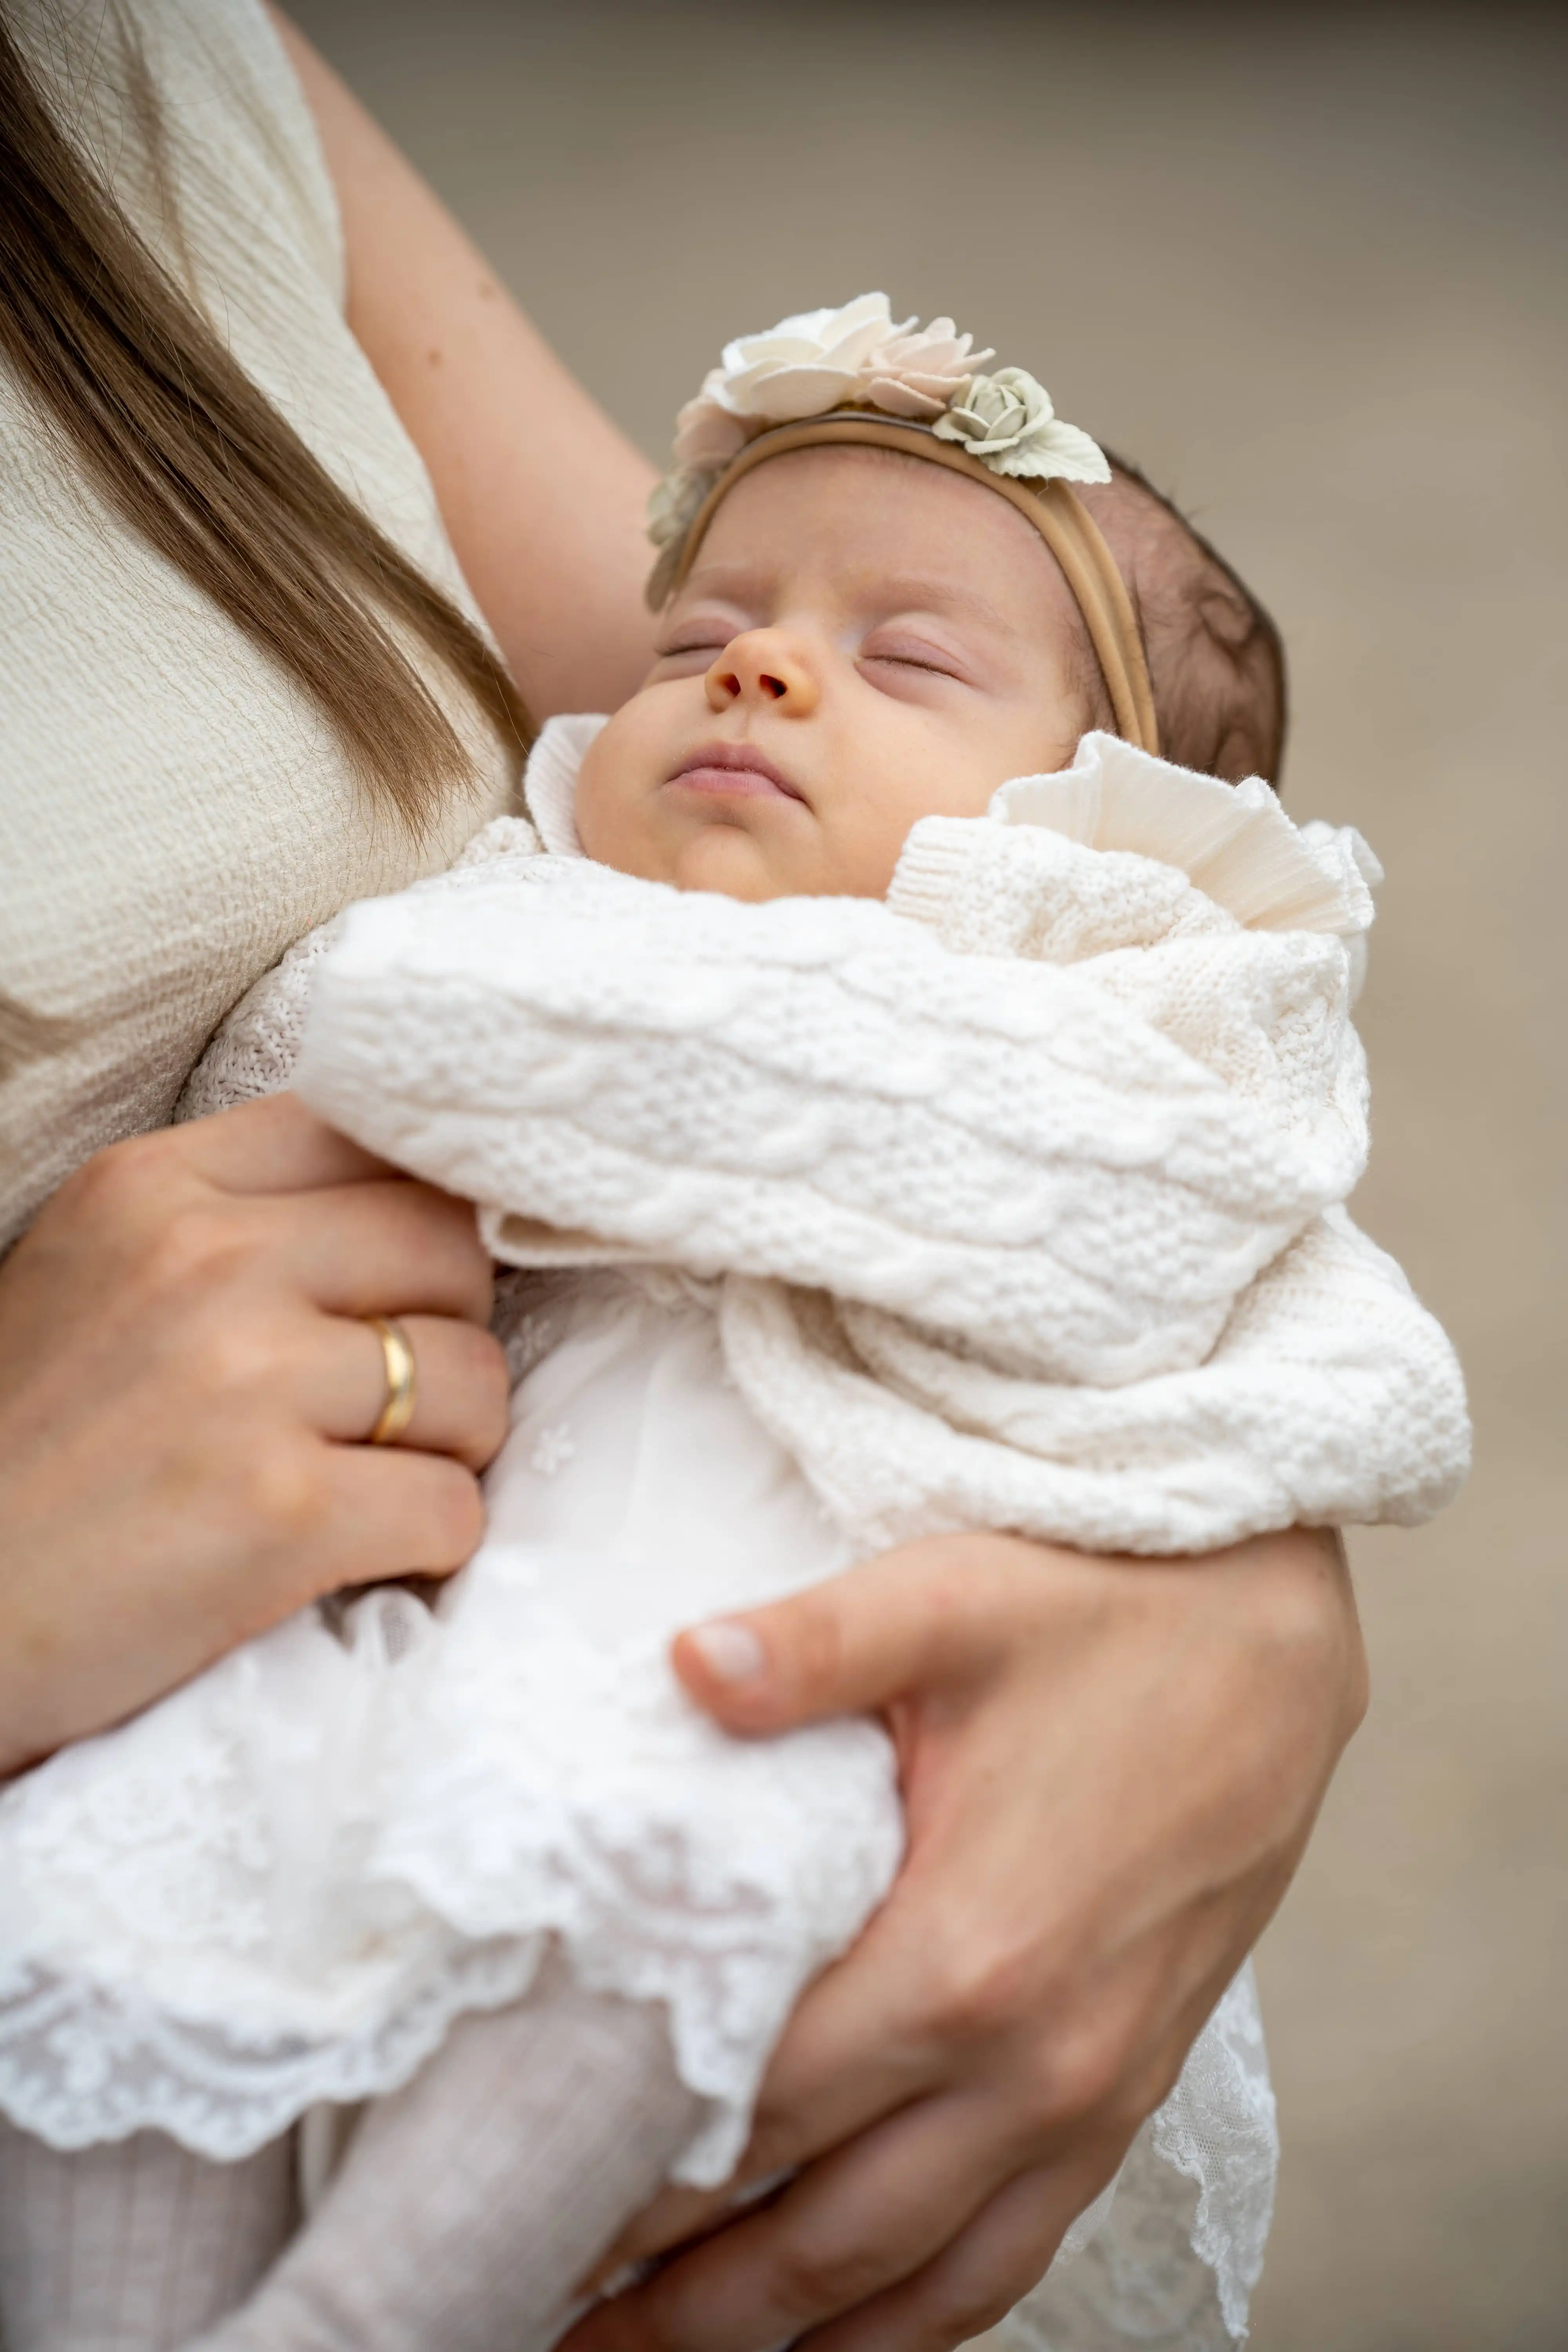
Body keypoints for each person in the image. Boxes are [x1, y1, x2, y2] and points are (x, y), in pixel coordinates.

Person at [0, 5, 1401, 2348]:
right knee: (116, 1979)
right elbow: (381, 1020)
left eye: (899, 656)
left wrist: (1236, 1579)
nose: (748, 678)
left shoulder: (126, 60)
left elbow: (1274, 1296)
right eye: (713, 636)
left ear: (1100, 841)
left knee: (656, 1942)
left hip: (726, 1654)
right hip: (281, 1675)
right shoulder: (545, 905)